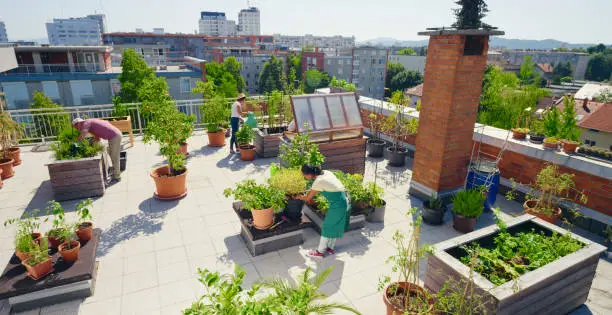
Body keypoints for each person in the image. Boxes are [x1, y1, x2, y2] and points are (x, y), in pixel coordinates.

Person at [298, 164, 350, 258]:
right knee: (334, 225)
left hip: (338, 205)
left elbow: (307, 198)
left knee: (326, 227)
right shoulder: (326, 173)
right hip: (344, 200)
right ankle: (330, 248)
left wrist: (297, 196)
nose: (304, 177)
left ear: (310, 174)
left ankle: (320, 252)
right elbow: (321, 188)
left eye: (304, 175)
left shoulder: (318, 182)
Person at [72, 118, 122, 182]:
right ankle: (115, 172)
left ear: (78, 124)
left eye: (76, 127)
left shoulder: (86, 123)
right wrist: (92, 144)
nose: (77, 129)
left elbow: (82, 135)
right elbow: (97, 138)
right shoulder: (90, 125)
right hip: (114, 136)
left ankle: (117, 177)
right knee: (111, 153)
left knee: (114, 156)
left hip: (115, 136)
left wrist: (75, 144)